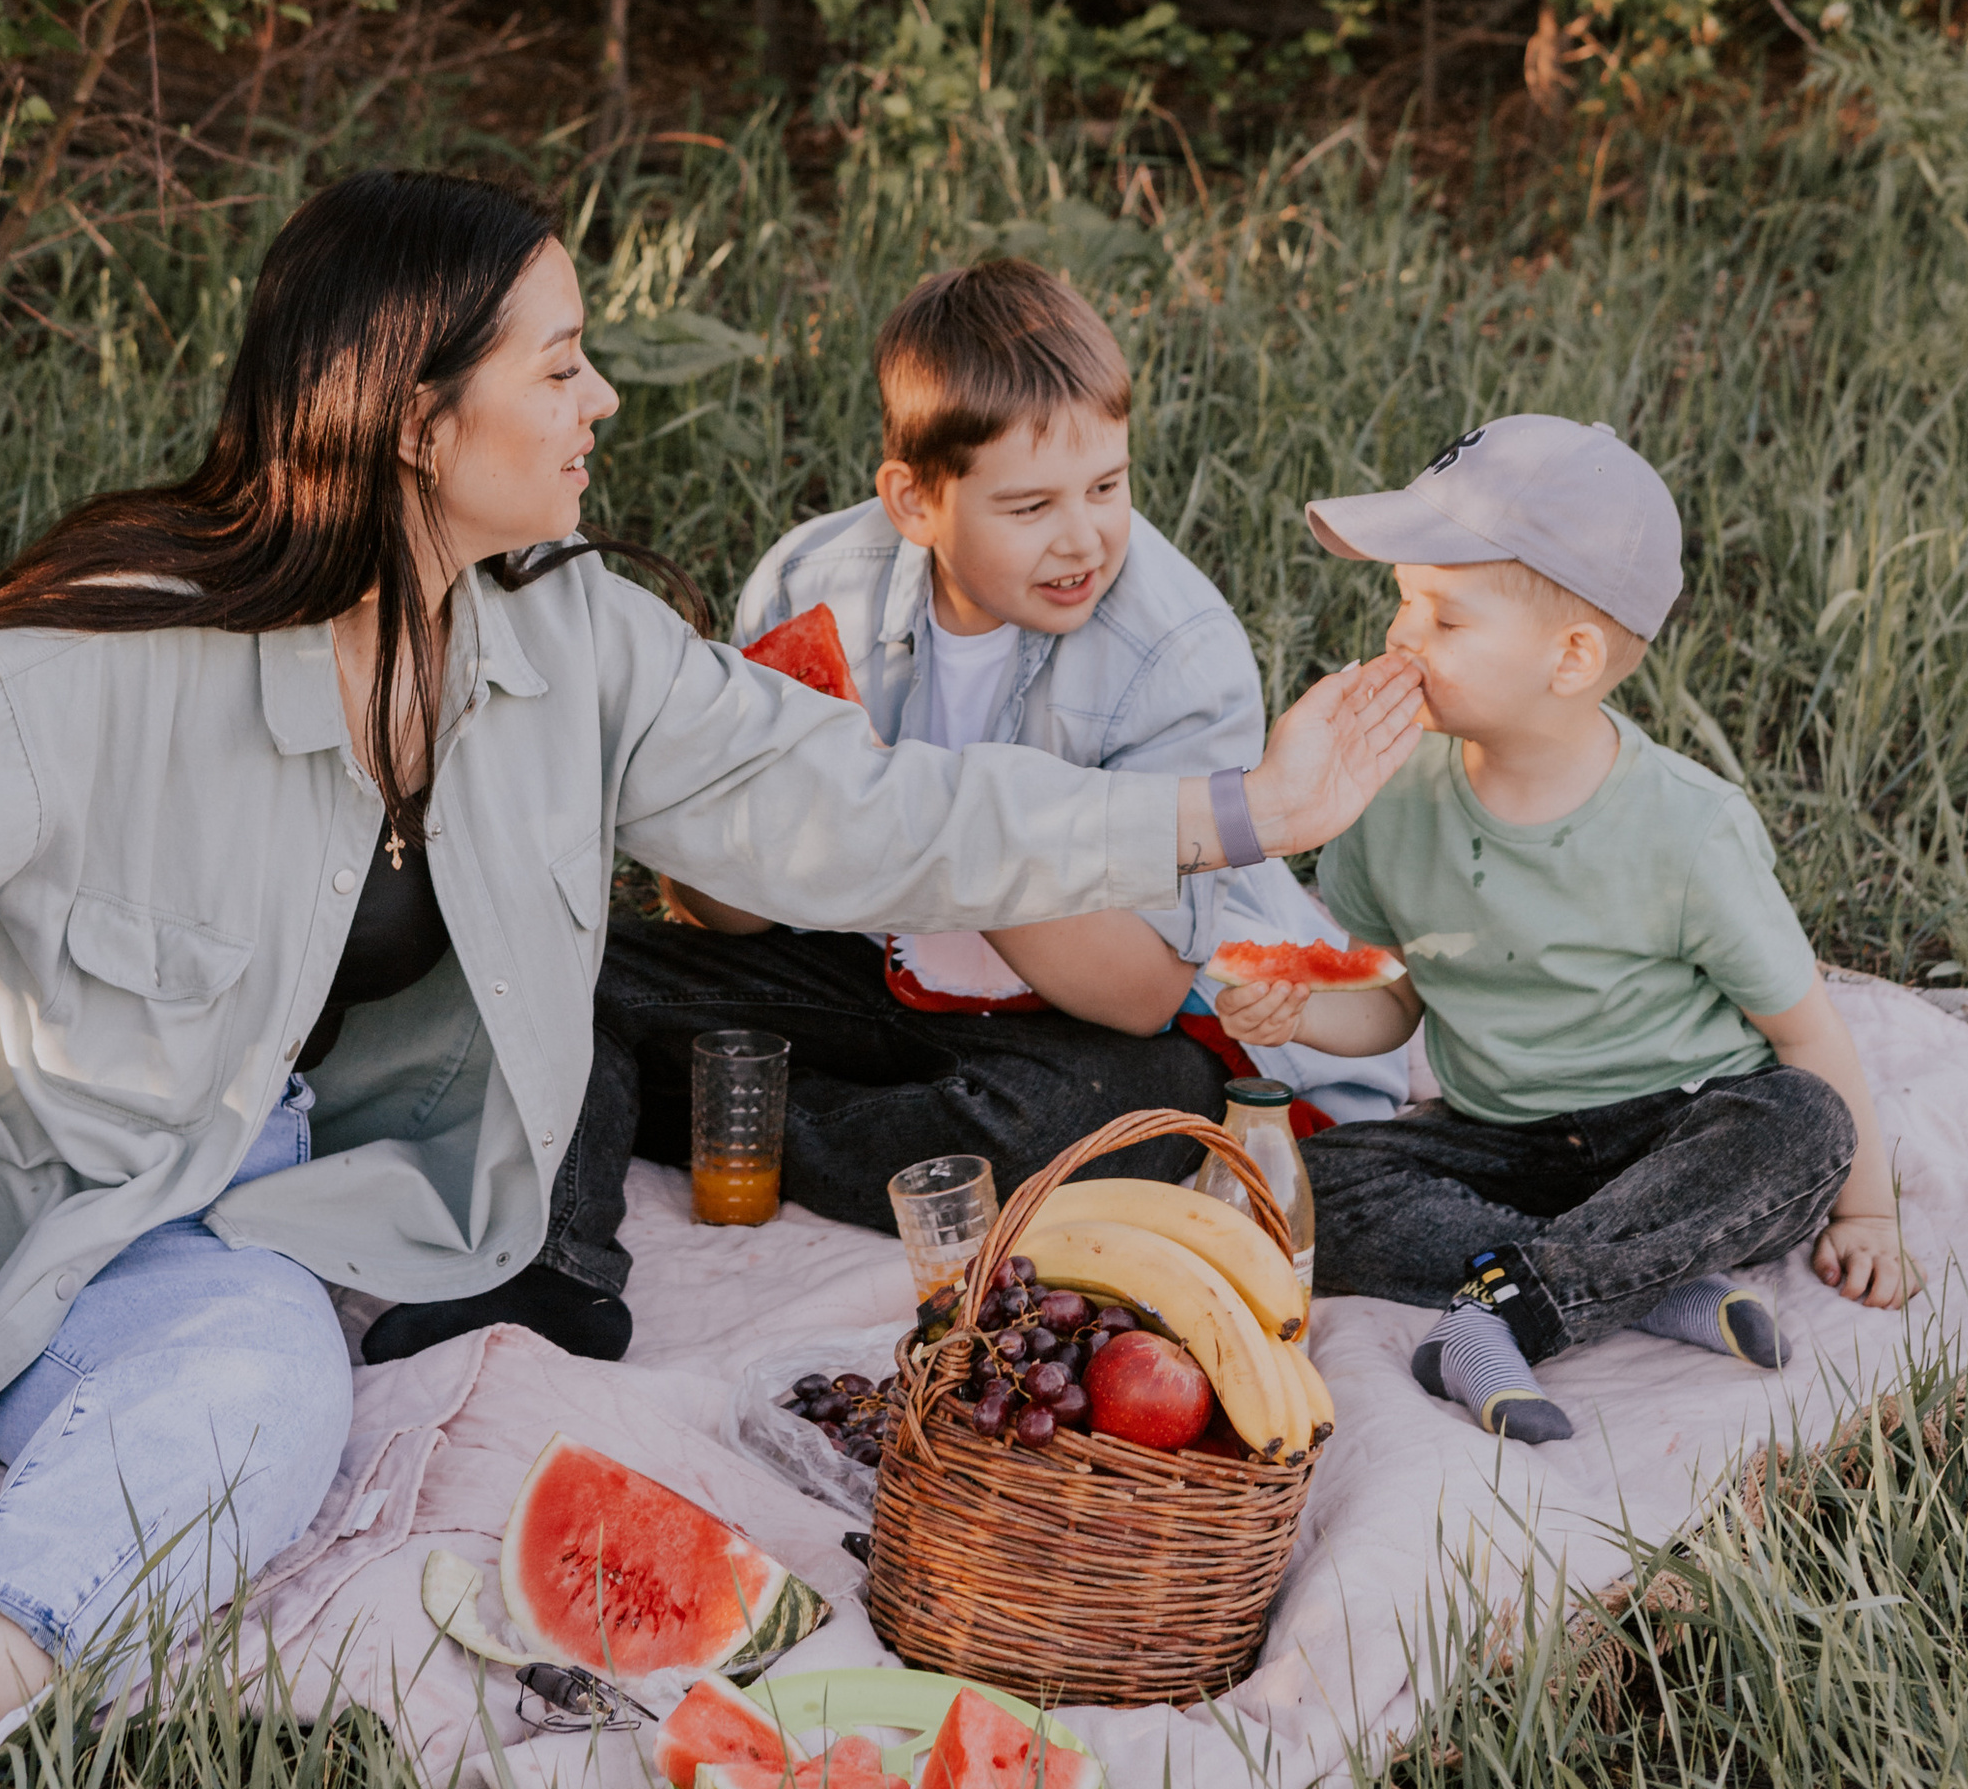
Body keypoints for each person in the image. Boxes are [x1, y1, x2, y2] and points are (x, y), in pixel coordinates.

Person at [0, 173, 1425, 1789]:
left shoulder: (576, 647)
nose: (604, 400)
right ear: (417, 417)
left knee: (253, 1416)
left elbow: (872, 814)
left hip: (229, 1196)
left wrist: (1242, 809)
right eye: (561, 366)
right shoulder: (139, 632)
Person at [514, 256, 1413, 1330]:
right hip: (867, 968)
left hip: (1074, 1030)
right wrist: (716, 816)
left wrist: (941, 827)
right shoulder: (811, 581)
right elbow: (727, 909)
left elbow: (1133, 993)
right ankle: (556, 1264)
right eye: (1029, 505)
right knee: (564, 966)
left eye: (1108, 487)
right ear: (914, 501)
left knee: (1124, 1115)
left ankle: (723, 1116)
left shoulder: (1177, 651)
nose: (1082, 537)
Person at [1212, 413, 1922, 1445]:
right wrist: (1304, 1013)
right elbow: (1398, 1002)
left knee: (1802, 1125)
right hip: (1502, 1139)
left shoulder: (1686, 830)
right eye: (1401, 604)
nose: (1400, 640)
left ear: (1572, 657)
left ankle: (1510, 1310)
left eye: (1444, 620)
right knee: (1306, 1193)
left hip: (1677, 1126)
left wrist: (1871, 1215)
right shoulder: (1394, 795)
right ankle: (1638, 1276)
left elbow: (1806, 1033)